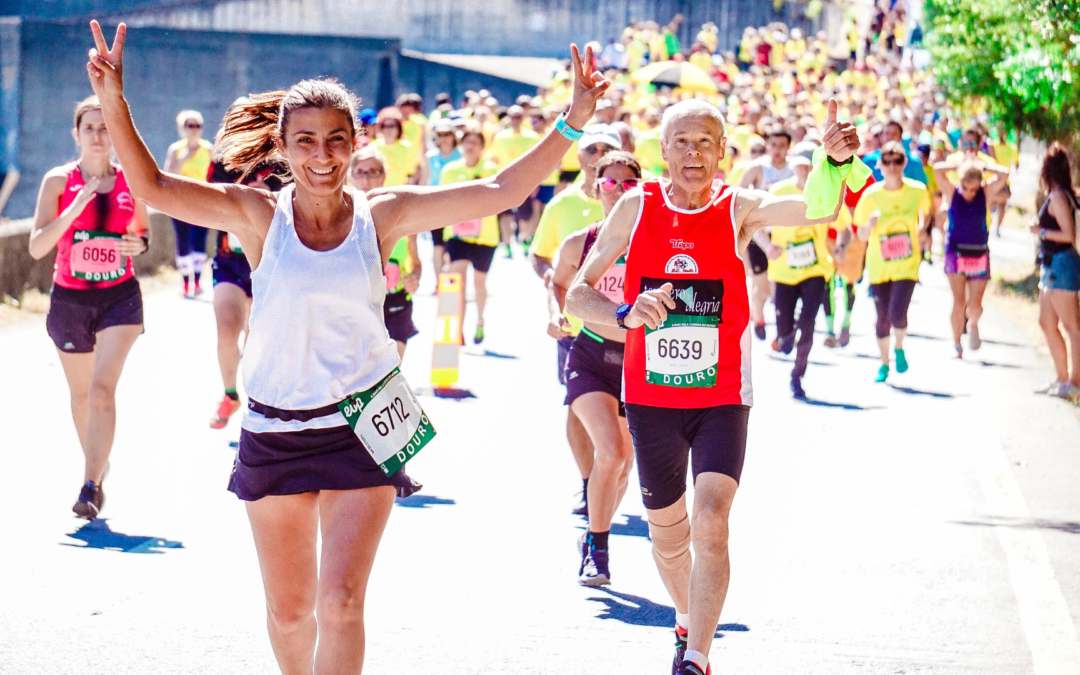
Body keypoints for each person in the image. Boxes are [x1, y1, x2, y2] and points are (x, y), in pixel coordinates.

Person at [85, 22, 607, 673]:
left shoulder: (382, 214)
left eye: (337, 139)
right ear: (282, 146)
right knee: (289, 611)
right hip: (274, 431)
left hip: (362, 427)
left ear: (356, 141)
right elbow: (157, 189)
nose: (323, 155)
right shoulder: (258, 215)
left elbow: (499, 191)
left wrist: (574, 120)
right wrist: (114, 100)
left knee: (341, 604)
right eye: (305, 141)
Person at [566, 99, 860, 675]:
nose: (693, 153)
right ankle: (687, 619)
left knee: (713, 519)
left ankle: (695, 658)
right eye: (681, 142)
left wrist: (833, 163)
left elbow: (817, 210)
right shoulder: (635, 206)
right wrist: (627, 310)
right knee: (668, 537)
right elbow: (578, 294)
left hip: (723, 395)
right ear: (663, 151)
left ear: (723, 152)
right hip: (651, 398)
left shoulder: (737, 208)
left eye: (705, 142)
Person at [28, 94, 150, 518]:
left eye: (105, 128)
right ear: (76, 134)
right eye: (90, 128)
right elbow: (38, 246)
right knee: (81, 395)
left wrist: (139, 243)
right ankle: (98, 463)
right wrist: (73, 211)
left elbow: (143, 234)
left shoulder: (132, 181)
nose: (98, 135)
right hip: (70, 299)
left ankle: (90, 485)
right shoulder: (58, 182)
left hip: (119, 298)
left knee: (101, 389)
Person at [548, 151, 640, 586]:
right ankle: (598, 550)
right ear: (596, 187)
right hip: (591, 355)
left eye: (627, 183)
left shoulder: (655, 243)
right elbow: (559, 283)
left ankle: (593, 532)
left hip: (641, 365)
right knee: (613, 453)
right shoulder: (581, 243)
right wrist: (555, 313)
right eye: (610, 183)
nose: (618, 190)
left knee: (622, 468)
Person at [530, 124, 620, 515]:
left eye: (608, 148)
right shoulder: (561, 205)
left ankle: (609, 474)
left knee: (620, 418)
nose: (598, 154)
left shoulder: (636, 202)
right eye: (591, 149)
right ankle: (589, 483)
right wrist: (555, 283)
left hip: (622, 330)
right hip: (574, 328)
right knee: (576, 407)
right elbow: (539, 255)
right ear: (580, 158)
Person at [208, 159, 284, 429]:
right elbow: (210, 199)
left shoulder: (280, 161)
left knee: (258, 339)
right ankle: (230, 395)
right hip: (230, 259)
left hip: (268, 260)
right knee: (227, 329)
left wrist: (266, 192)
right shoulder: (223, 164)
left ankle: (258, 401)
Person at [854, 141, 931, 383]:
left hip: (907, 263)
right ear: (880, 165)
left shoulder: (917, 191)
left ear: (904, 163)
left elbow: (927, 214)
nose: (892, 166)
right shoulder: (871, 195)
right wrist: (869, 225)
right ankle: (884, 364)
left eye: (897, 160)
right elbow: (860, 235)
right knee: (882, 318)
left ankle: (899, 348)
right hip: (879, 264)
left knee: (898, 313)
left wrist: (923, 231)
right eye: (887, 161)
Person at [764, 149, 839, 398]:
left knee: (808, 323)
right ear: (793, 166)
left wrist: (841, 246)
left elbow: (844, 224)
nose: (804, 171)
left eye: (809, 166)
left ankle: (797, 376)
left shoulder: (824, 192)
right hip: (784, 270)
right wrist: (767, 246)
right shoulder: (778, 191)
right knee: (786, 334)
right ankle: (785, 337)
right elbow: (755, 223)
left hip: (815, 269)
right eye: (800, 166)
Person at [349, 147, 422, 359]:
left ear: (384, 175)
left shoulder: (401, 215)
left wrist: (415, 279)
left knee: (392, 372)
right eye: (360, 172)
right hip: (356, 305)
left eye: (373, 172)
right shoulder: (339, 217)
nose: (366, 179)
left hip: (396, 303)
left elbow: (416, 264)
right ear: (351, 176)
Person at [933, 159, 1009, 358]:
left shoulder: (985, 193)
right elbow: (937, 169)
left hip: (978, 251)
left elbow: (1004, 173)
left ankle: (973, 324)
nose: (969, 192)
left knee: (975, 304)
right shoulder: (952, 192)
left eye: (973, 189)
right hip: (955, 251)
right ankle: (957, 343)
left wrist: (982, 166)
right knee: (958, 301)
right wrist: (961, 165)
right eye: (966, 187)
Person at [440, 122, 498, 344]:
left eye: (475, 142)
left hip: (485, 235)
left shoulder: (491, 170)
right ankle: (457, 329)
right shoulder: (450, 170)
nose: (471, 146)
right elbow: (443, 201)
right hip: (457, 233)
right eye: (467, 142)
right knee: (457, 279)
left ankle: (480, 321)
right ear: (461, 144)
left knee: (479, 284)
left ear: (483, 146)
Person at [1030, 143, 1080, 400]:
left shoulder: (1060, 196)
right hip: (1051, 265)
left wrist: (1040, 231)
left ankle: (1074, 382)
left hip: (1061, 264)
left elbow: (1068, 235)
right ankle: (1062, 379)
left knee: (1072, 327)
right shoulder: (1064, 194)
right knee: (1046, 322)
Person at [738, 127, 793, 341]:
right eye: (773, 145)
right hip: (759, 234)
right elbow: (738, 195)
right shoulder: (757, 168)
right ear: (767, 145)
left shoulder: (793, 169)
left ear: (788, 147)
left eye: (782, 145)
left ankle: (782, 327)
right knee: (761, 284)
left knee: (779, 285)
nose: (777, 150)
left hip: (785, 233)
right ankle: (759, 316)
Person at [163, 109, 212, 297]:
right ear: (182, 128)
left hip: (202, 202)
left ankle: (197, 282)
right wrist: (186, 156)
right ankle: (185, 284)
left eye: (197, 126)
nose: (193, 130)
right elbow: (167, 175)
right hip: (179, 202)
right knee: (182, 241)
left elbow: (213, 175)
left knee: (199, 241)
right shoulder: (176, 149)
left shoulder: (208, 148)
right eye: (189, 125)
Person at [489, 104, 540, 256]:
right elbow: (494, 159)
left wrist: (536, 182)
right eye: (513, 117)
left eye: (518, 116)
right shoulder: (500, 137)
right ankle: (507, 243)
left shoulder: (531, 137)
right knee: (505, 215)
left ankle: (524, 239)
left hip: (525, 181)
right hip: (504, 181)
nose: (515, 120)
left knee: (525, 214)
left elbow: (536, 161)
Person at [372, 108, 419, 186]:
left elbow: (411, 173)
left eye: (392, 126)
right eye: (385, 126)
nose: (388, 129)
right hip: (378, 190)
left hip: (399, 191)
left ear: (399, 128)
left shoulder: (407, 147)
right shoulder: (374, 147)